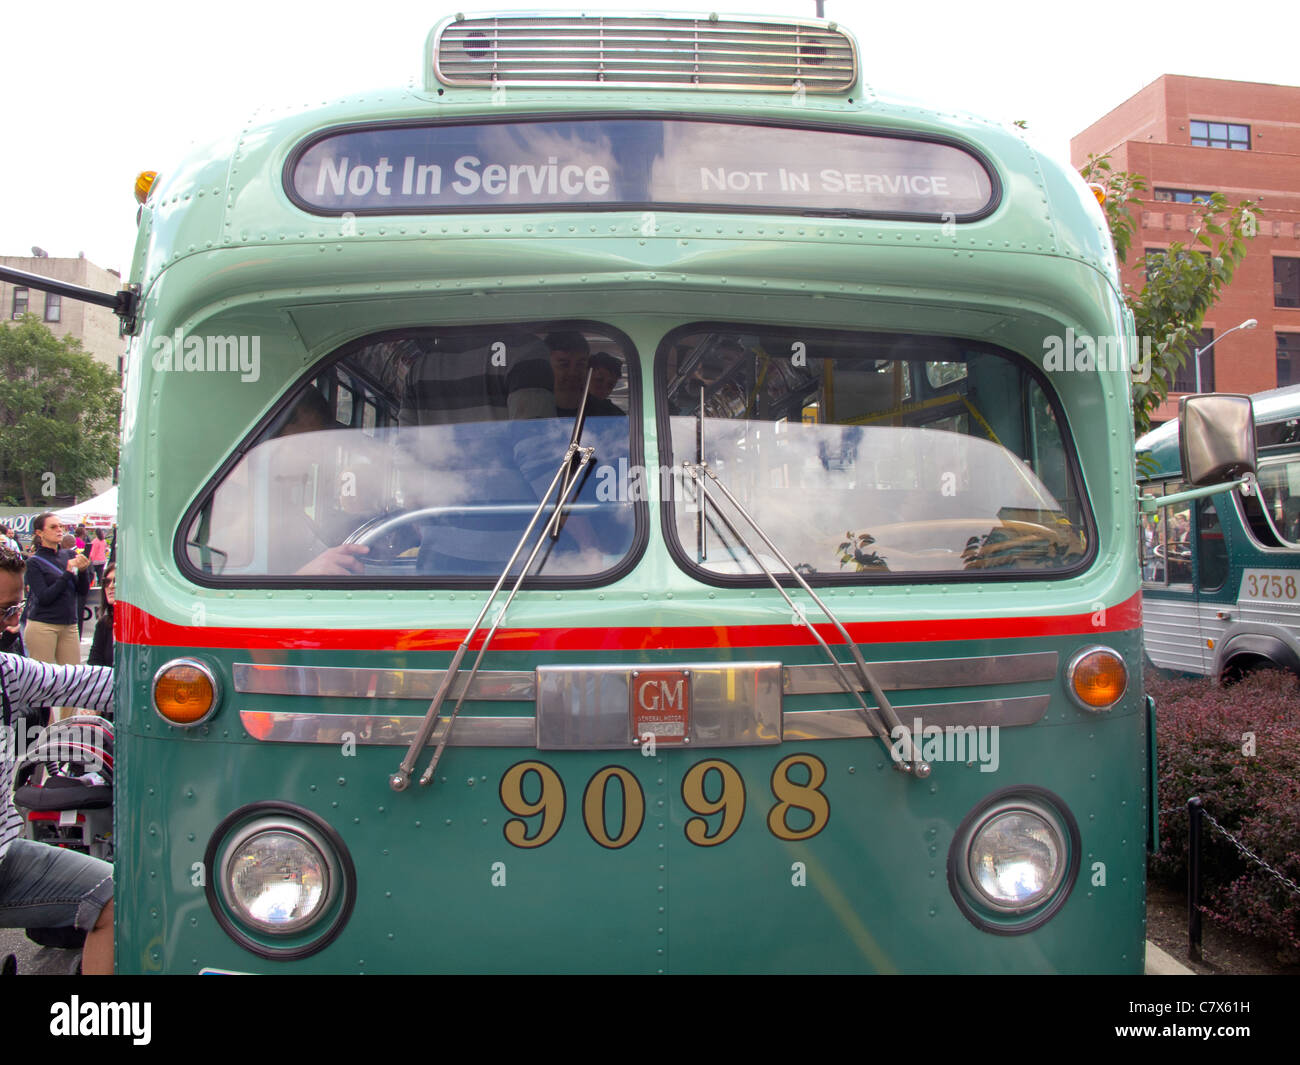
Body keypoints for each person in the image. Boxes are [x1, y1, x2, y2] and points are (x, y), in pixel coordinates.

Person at [0, 545, 114, 974]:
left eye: (12, 610)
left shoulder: (7, 673)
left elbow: (95, 683)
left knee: (112, 894)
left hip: (5, 857)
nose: (7, 626)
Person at [24, 515, 91, 698]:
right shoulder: (34, 562)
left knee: (74, 682)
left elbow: (82, 591)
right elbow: (44, 597)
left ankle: (68, 726)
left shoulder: (69, 554)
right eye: (53, 527)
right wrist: (68, 573)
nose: (59, 530)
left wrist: (83, 572)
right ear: (39, 533)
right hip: (43, 625)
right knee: (43, 684)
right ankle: (45, 725)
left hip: (69, 625)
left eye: (61, 526)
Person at [88, 563, 114, 667]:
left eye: (116, 581)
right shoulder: (103, 624)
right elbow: (94, 665)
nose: (111, 586)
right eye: (106, 582)